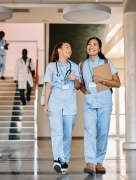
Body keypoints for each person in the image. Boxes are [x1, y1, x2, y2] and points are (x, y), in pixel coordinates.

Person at [80, 37, 121, 175]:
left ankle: (99, 162)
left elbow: (117, 83)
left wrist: (102, 80)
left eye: (95, 44)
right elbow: (81, 84)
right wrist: (86, 93)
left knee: (102, 132)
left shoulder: (106, 63)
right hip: (89, 104)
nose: (91, 46)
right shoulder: (82, 65)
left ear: (99, 48)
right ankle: (90, 162)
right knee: (90, 131)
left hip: (105, 103)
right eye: (89, 44)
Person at [43, 41, 81, 174]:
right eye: (67, 47)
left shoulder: (75, 66)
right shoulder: (51, 66)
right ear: (58, 50)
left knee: (67, 134)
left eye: (70, 48)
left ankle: (64, 159)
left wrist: (75, 78)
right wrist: (46, 104)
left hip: (70, 104)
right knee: (56, 131)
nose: (69, 50)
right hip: (55, 102)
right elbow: (48, 85)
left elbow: (77, 86)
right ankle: (58, 159)